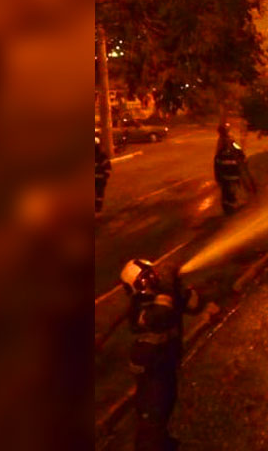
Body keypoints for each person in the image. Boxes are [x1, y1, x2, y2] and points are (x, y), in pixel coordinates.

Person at [120, 259, 201, 451]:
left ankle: (163, 445)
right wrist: (168, 292)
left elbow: (195, 305)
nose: (151, 280)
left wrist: (180, 289)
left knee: (164, 409)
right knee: (152, 420)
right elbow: (161, 317)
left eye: (151, 275)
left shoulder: (164, 296)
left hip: (165, 365)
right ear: (135, 286)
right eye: (145, 279)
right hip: (150, 372)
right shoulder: (138, 309)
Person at [214, 123, 256, 214]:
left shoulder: (221, 142)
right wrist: (242, 157)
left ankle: (230, 206)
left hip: (226, 172)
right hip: (232, 170)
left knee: (227, 189)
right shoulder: (228, 141)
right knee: (232, 188)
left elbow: (218, 158)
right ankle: (232, 205)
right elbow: (238, 150)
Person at [95, 136, 111, 213]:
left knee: (99, 194)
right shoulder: (102, 156)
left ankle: (97, 208)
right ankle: (98, 208)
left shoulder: (102, 156)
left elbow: (107, 167)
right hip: (100, 179)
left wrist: (105, 176)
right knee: (99, 194)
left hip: (100, 179)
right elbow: (107, 167)